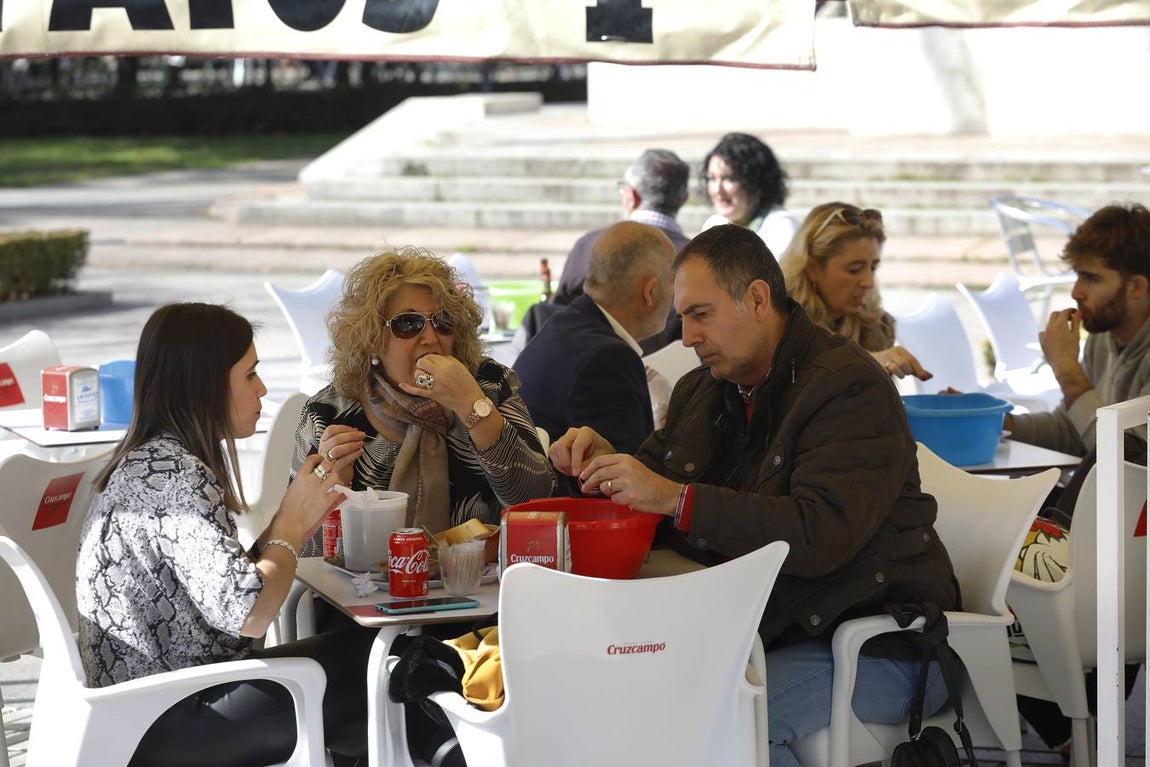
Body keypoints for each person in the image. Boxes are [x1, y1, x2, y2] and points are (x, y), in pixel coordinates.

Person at [548, 224, 960, 767]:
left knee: (724, 723)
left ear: (759, 300)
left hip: (878, 641)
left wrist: (678, 499)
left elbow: (817, 535)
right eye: (681, 317)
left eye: (700, 314)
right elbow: (654, 487)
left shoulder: (848, 387)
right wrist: (605, 468)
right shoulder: (704, 387)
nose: (686, 336)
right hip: (760, 632)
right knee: (621, 699)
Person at [77, 302, 374, 767]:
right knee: (386, 662)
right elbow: (250, 615)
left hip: (153, 709)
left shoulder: (157, 460)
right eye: (250, 374)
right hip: (167, 720)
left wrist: (300, 516)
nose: (262, 388)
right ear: (207, 384)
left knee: (374, 660)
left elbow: (228, 590)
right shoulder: (173, 475)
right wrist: (291, 523)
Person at [999, 202, 1150, 750]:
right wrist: (1004, 422)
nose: (1076, 292)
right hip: (1111, 528)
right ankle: (1075, 721)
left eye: (1091, 278)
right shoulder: (1107, 338)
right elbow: (1076, 427)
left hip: (1136, 533)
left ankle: (1072, 717)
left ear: (1136, 286)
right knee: (1011, 528)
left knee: (1004, 561)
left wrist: (1066, 371)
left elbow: (1126, 450)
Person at [293, 247, 557, 552]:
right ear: (371, 339)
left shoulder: (489, 384)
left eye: (443, 321)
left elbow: (537, 504)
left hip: (480, 575)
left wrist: (472, 407)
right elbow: (301, 551)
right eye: (408, 323)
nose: (431, 338)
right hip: (368, 579)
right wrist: (332, 488)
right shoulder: (328, 413)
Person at [514, 221, 676, 453]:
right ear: (651, 291)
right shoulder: (608, 359)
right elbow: (628, 470)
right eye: (673, 282)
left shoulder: (563, 324)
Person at [551, 147, 690, 354]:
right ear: (684, 198)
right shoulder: (698, 259)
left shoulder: (591, 245)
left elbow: (556, 316)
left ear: (632, 196)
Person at [781, 201, 932, 381]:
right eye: (854, 270)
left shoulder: (877, 327)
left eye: (873, 268)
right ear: (813, 268)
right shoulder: (779, 322)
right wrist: (862, 363)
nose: (869, 282)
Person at [699, 132, 799, 258]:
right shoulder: (713, 224)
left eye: (729, 178)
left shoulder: (781, 227)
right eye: (712, 178)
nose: (718, 189)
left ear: (755, 181)